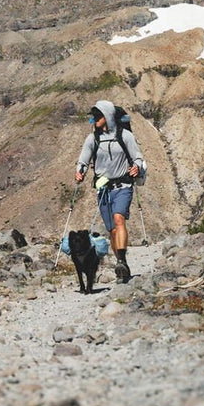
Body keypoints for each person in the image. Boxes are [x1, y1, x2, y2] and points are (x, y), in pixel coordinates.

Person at [74, 100, 145, 283]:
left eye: (98, 116)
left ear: (108, 116)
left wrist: (136, 167)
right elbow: (83, 159)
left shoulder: (125, 136)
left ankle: (120, 260)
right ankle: (122, 264)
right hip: (103, 190)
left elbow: (137, 156)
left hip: (123, 186)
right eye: (94, 116)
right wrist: (80, 171)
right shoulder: (92, 139)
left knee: (119, 219)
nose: (94, 119)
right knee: (112, 230)